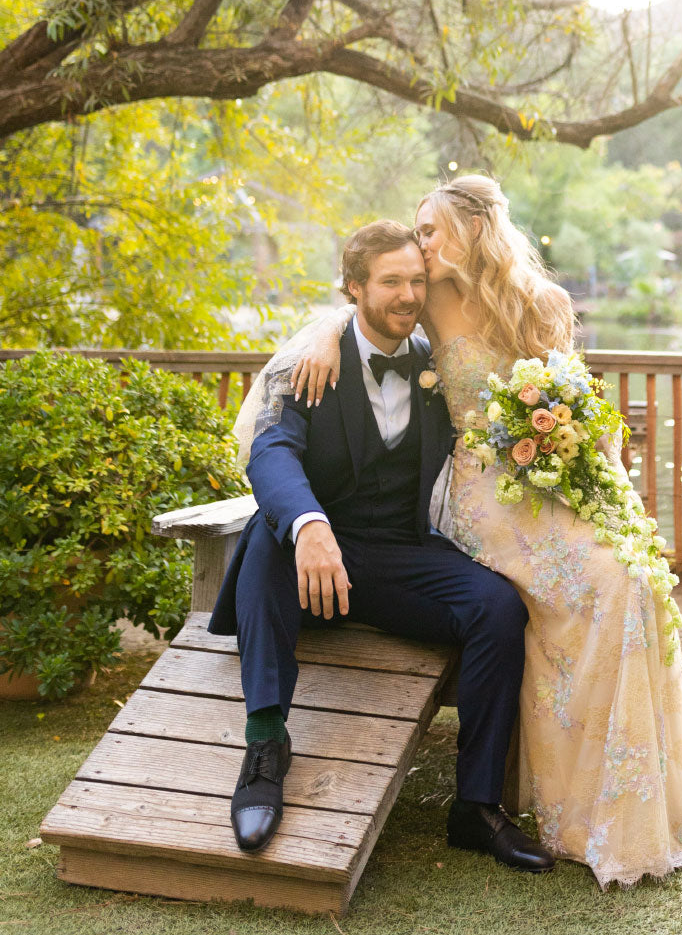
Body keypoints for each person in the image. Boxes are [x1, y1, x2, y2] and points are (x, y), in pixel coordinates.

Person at [277, 176, 682, 888]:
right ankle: (568, 789)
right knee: (586, 587)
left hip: (546, 476)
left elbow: (576, 400)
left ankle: (622, 786)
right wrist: (321, 333)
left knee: (628, 576)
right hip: (476, 490)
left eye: (431, 229)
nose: (422, 243)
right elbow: (361, 306)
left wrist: (611, 492)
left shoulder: (542, 302)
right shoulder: (424, 294)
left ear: (472, 228)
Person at [211, 219, 554, 872]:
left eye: (416, 280)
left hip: (398, 553)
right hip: (311, 558)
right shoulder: (308, 359)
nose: (407, 294)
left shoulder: (436, 364)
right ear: (353, 289)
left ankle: (476, 807)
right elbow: (271, 450)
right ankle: (263, 748)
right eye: (391, 281)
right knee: (268, 535)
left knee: (498, 607)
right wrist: (311, 525)